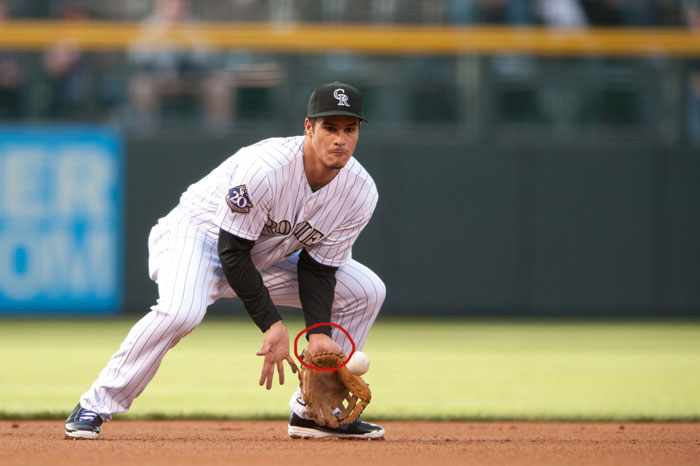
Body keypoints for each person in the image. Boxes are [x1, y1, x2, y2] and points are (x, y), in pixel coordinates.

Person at [64, 82, 386, 440]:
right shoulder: (266, 169)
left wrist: (320, 334)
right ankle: (95, 403)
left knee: (366, 290)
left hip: (266, 256)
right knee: (181, 311)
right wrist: (272, 324)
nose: (340, 138)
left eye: (349, 128)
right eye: (329, 127)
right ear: (308, 128)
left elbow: (319, 267)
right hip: (198, 238)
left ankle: (311, 414)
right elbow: (231, 252)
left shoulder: (360, 191)